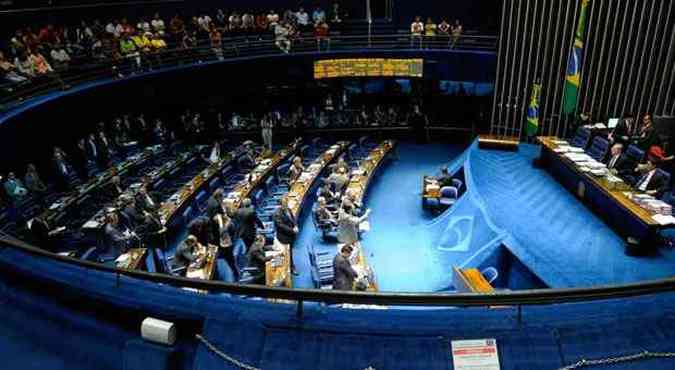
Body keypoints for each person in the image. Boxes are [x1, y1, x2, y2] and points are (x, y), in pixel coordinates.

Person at [274, 197, 299, 275]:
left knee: (290, 251)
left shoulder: (288, 209)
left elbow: (293, 218)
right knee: (281, 252)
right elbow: (281, 226)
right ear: (280, 205)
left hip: (290, 235)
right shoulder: (277, 214)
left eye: (286, 204)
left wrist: (295, 225)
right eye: (284, 204)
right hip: (283, 237)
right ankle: (285, 269)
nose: (286, 205)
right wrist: (292, 230)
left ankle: (290, 266)